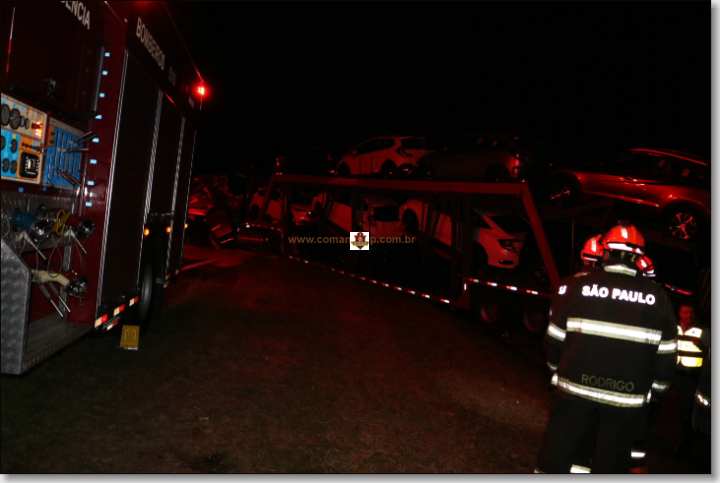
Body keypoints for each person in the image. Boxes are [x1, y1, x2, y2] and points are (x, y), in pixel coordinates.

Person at [536, 223, 677, 473]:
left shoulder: (578, 287)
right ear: (638, 258)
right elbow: (666, 357)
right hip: (626, 399)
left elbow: (554, 339)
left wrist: (558, 371)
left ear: (606, 252)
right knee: (609, 462)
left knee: (558, 452)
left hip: (574, 389)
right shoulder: (658, 298)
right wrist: (654, 391)